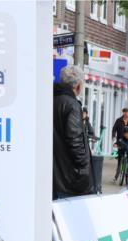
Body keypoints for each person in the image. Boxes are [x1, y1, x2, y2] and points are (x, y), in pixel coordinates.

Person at [52, 65, 94, 200]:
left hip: (54, 172)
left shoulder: (51, 100)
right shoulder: (72, 105)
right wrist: (84, 166)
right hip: (70, 176)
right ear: (78, 85)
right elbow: (74, 139)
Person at [111, 107, 128, 183]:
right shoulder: (118, 120)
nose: (126, 113)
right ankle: (116, 177)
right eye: (125, 112)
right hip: (121, 142)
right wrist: (113, 136)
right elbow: (114, 129)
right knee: (120, 160)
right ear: (123, 113)